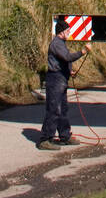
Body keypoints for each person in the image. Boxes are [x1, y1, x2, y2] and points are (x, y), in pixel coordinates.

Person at [37, 16, 90, 151]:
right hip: (55, 79)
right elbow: (67, 57)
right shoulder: (56, 44)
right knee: (54, 109)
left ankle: (64, 136)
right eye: (68, 31)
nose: (70, 33)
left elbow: (64, 61)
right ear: (62, 32)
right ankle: (45, 139)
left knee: (63, 109)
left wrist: (69, 71)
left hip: (61, 79)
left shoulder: (61, 44)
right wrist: (82, 52)